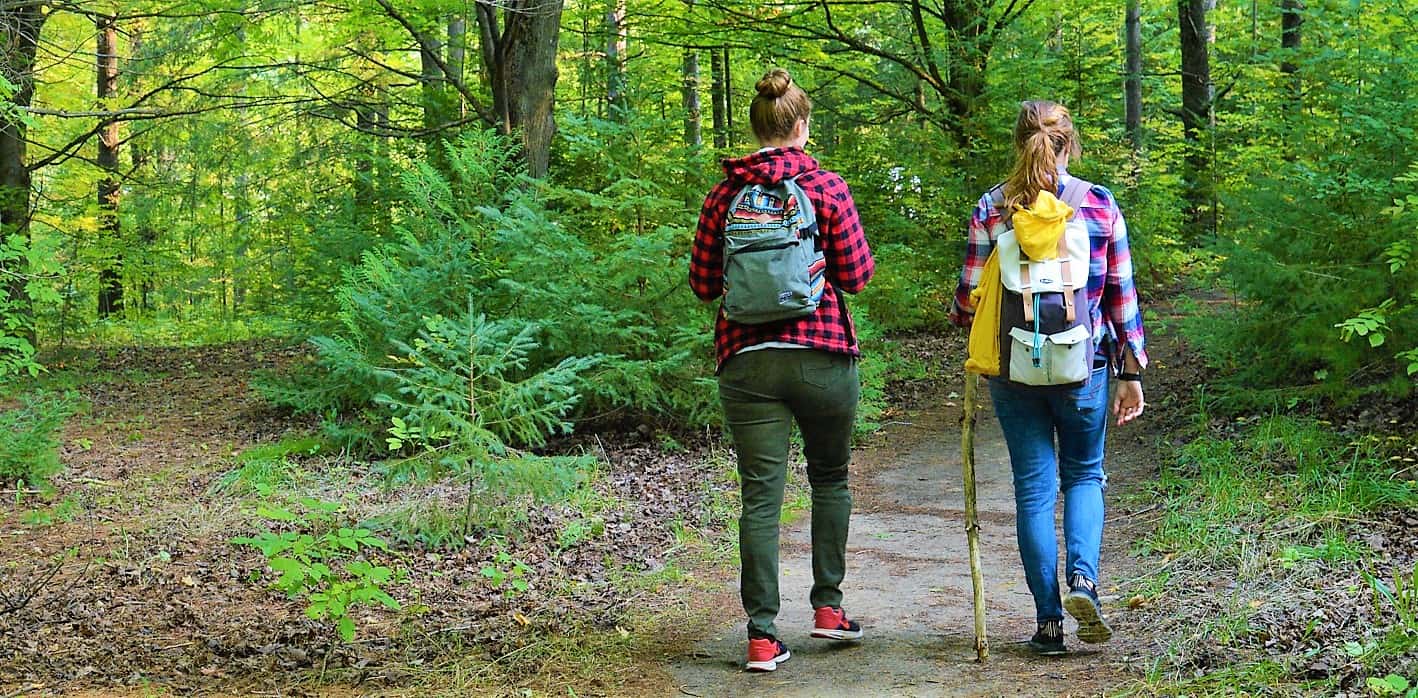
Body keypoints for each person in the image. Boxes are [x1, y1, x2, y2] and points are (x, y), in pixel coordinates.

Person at [689, 68, 875, 672]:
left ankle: (763, 637)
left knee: (761, 498)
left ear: (756, 127)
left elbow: (702, 285)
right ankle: (828, 610)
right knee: (830, 478)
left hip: (745, 362)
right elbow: (857, 277)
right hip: (822, 355)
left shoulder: (724, 195)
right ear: (802, 126)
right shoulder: (827, 187)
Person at [949, 100, 1148, 656]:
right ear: (1070, 143)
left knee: (1033, 492)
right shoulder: (1099, 205)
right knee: (1085, 475)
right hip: (1083, 364)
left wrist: (966, 315)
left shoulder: (992, 207)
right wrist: (1131, 371)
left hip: (1014, 369)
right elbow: (1121, 299)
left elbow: (969, 301)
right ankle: (1084, 582)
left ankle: (1049, 622)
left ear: (1019, 143)